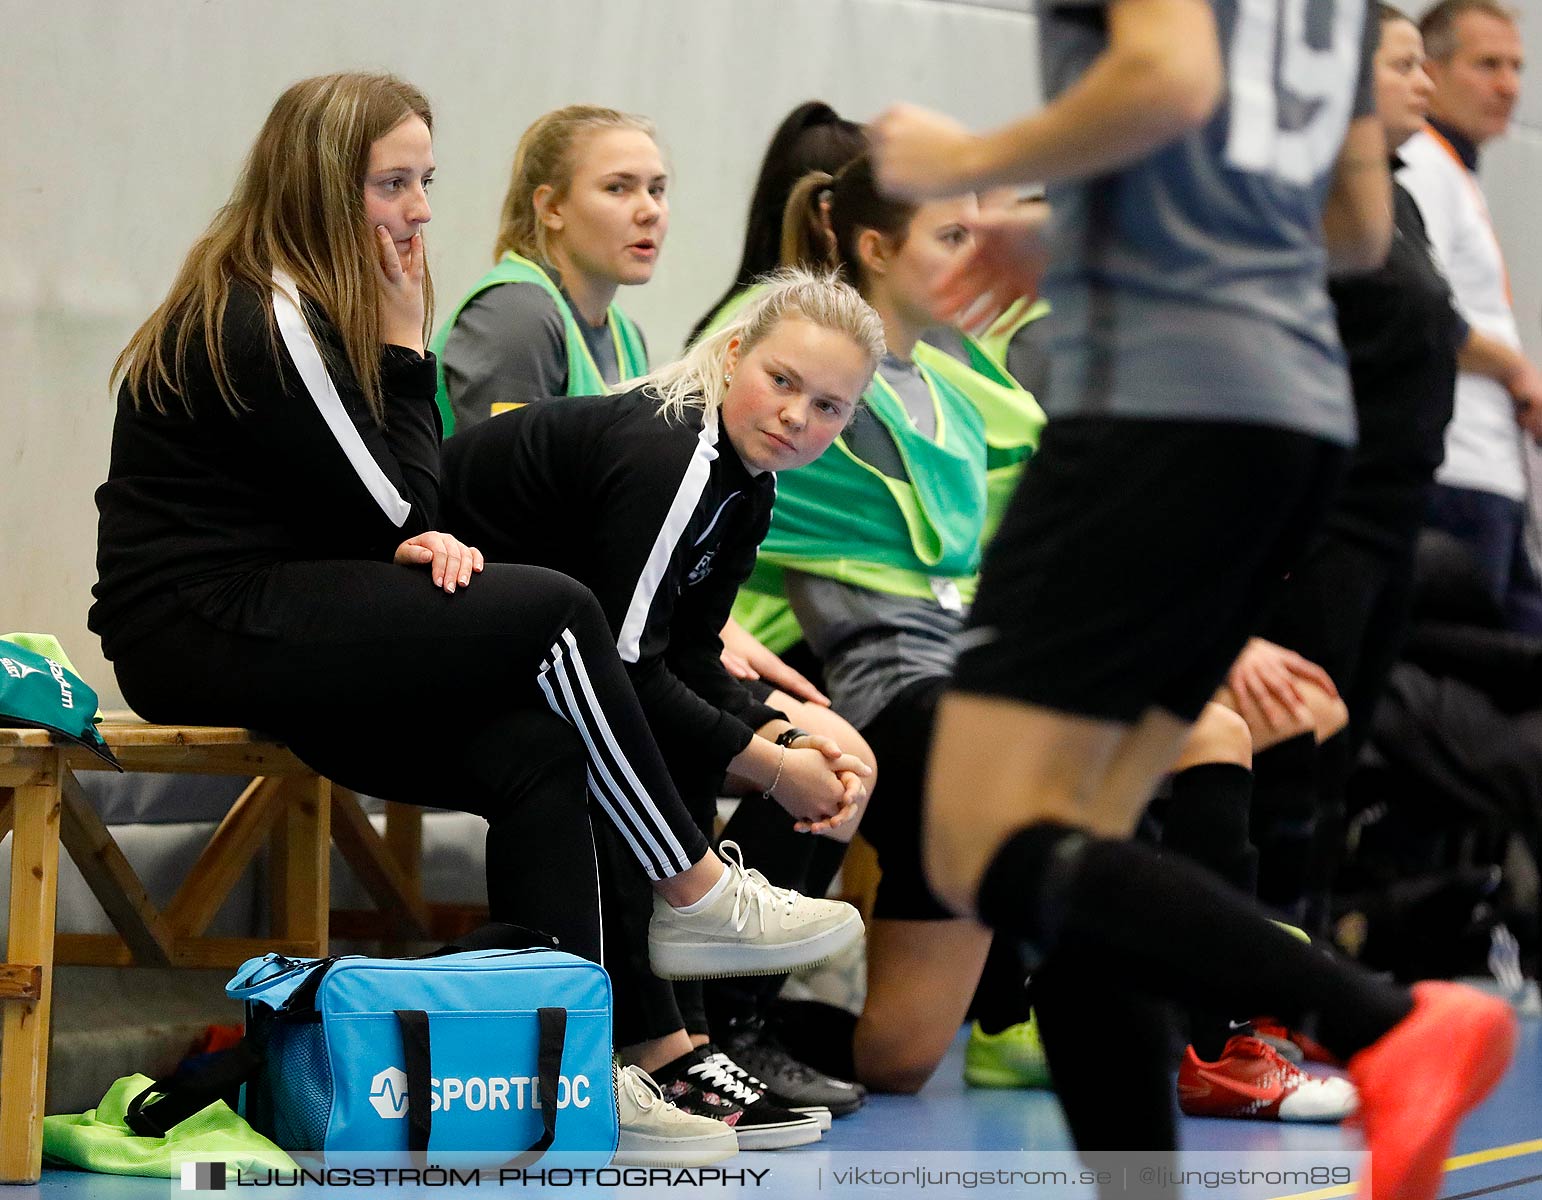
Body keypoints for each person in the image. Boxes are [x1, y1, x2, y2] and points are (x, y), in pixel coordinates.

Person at [88, 72, 858, 1166]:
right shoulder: (270, 306)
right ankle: (690, 884)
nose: (419, 210)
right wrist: (408, 350)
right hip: (201, 623)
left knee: (537, 751)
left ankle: (588, 1064)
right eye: (392, 183)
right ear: (319, 184)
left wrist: (409, 506)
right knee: (553, 611)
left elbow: (402, 510)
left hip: (294, 613)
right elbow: (406, 503)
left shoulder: (318, 303)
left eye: (426, 181)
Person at [872, 3, 1515, 1197]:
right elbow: (1353, 224)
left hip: (1159, 410)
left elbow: (1167, 80)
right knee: (1089, 849)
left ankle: (1376, 1019)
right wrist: (1078, 241)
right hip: (1296, 418)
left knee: (982, 846)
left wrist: (962, 166)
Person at [441, 268, 881, 1146]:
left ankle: (679, 1046)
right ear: (731, 357)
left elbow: (686, 656)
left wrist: (778, 733)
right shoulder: (675, 453)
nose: (798, 416)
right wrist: (769, 767)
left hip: (519, 651)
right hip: (423, 621)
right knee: (598, 746)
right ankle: (664, 1026)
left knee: (652, 739)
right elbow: (624, 678)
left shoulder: (747, 484)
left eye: (829, 407)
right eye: (783, 381)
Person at [1248, 4, 1468, 932]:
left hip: (1390, 520)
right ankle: (1249, 978)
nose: (1427, 83)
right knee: (1290, 755)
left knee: (1343, 752)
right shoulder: (1303, 200)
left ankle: (1304, 968)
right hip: (1321, 521)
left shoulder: (1403, 197)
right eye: (1404, 65)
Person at [1397, 0, 1542, 633]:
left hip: (1482, 467)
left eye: (1516, 66)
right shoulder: (1421, 164)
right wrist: (1516, 369)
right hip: (1451, 468)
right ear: (1428, 71)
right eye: (1487, 64)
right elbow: (1418, 308)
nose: (1508, 85)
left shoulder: (1450, 169)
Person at [431, 105, 663, 434]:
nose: (650, 210)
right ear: (551, 207)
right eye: (617, 188)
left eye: (656, 190)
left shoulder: (627, 335)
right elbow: (503, 480)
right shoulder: (515, 315)